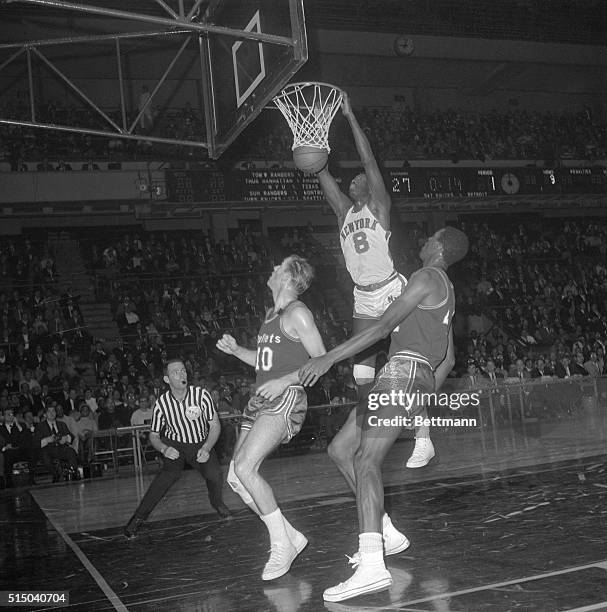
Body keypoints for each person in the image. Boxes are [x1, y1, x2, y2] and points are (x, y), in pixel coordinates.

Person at [299, 227, 468, 602]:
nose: (422, 241)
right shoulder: (447, 290)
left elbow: (381, 327)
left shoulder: (425, 277)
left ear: (438, 247)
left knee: (366, 459)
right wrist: (421, 403)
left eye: (429, 238)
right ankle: (385, 531)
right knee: (341, 450)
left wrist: (328, 357)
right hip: (409, 374)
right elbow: (449, 358)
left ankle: (373, 567)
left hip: (402, 371)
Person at [316, 92, 433, 468]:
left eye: (357, 180)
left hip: (391, 290)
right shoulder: (343, 214)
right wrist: (313, 150)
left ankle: (423, 434)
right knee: (361, 373)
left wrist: (350, 118)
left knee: (406, 363)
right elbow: (321, 175)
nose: (351, 183)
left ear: (368, 185)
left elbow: (368, 159)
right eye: (348, 183)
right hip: (363, 298)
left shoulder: (379, 206)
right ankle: (372, 425)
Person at [217, 255, 325, 581]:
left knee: (245, 467)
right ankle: (290, 535)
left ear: (290, 277)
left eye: (280, 266)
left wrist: (284, 381)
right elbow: (263, 362)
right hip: (262, 398)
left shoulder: (298, 313)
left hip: (286, 398)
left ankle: (281, 544)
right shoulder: (271, 316)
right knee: (236, 478)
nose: (273, 269)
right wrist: (238, 351)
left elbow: (321, 360)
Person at [123, 359, 232, 538]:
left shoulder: (201, 395)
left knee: (214, 475)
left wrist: (206, 447)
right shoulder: (162, 404)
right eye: (176, 372)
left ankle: (217, 503)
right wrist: (164, 449)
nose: (182, 374)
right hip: (176, 444)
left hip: (200, 442)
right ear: (167, 379)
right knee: (167, 476)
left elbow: (214, 425)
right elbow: (154, 435)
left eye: (183, 370)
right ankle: (137, 519)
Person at [35, 404, 79, 483]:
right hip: (48, 449)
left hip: (61, 448)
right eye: (49, 411)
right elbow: (37, 443)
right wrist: (47, 440)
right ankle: (55, 474)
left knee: (71, 451)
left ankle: (74, 472)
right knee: (45, 455)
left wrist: (66, 438)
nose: (52, 413)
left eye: (53, 411)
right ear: (45, 414)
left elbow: (71, 436)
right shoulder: (40, 426)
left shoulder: (61, 424)